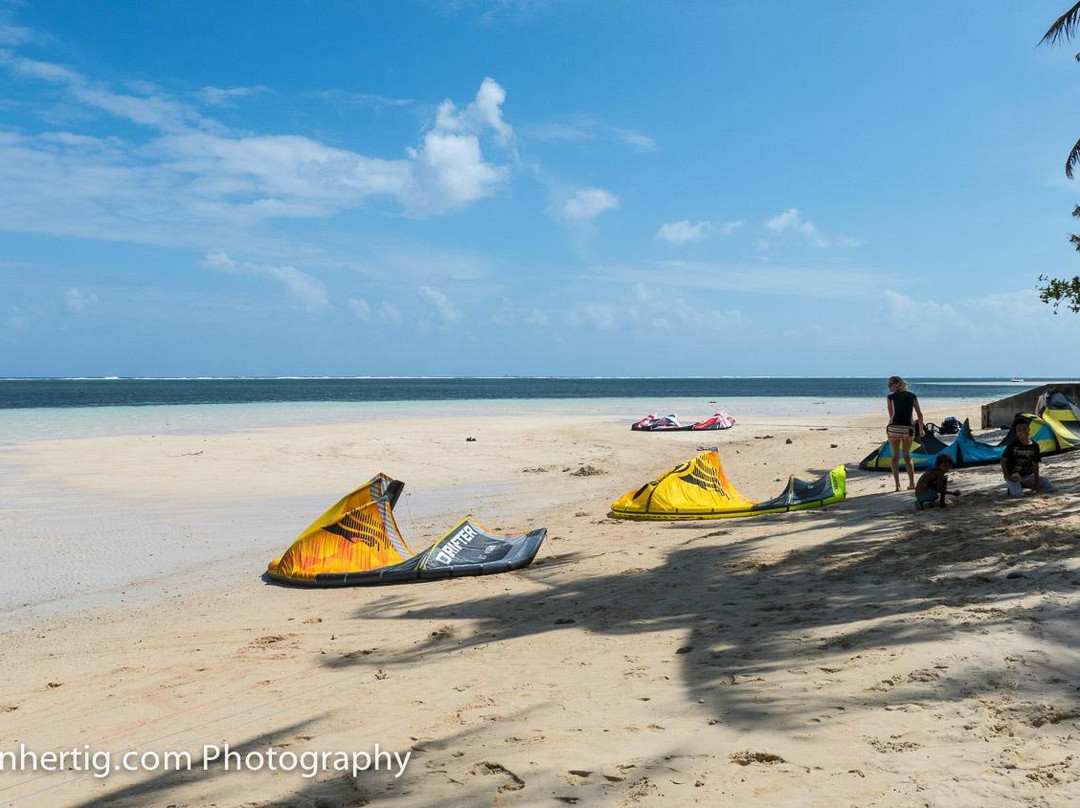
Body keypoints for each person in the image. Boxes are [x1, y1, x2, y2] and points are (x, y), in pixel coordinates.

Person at [885, 376, 925, 492]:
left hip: (894, 428)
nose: (888, 387)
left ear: (894, 384)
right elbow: (920, 414)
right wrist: (921, 429)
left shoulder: (890, 397)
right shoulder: (912, 396)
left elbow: (891, 415)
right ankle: (912, 483)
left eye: (889, 385)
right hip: (908, 429)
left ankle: (897, 486)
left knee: (894, 457)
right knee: (907, 456)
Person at [1001, 419, 1055, 496]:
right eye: (1019, 430)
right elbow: (1003, 460)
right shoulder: (1012, 445)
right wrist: (1007, 476)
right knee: (1018, 494)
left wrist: (1036, 482)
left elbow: (1036, 465)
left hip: (1028, 475)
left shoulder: (1034, 446)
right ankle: (1014, 488)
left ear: (1029, 430)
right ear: (1016, 433)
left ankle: (1024, 485)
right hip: (1013, 475)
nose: (1022, 431)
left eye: (1024, 428)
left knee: (1048, 486)